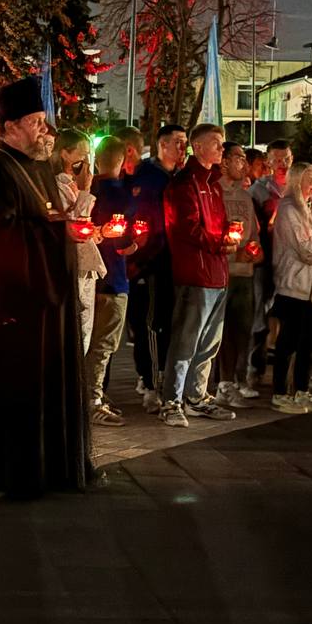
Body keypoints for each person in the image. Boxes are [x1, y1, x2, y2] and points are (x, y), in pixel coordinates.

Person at [0, 77, 89, 497]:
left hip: (49, 296)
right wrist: (57, 232)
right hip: (19, 300)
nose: (44, 131)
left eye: (43, 121)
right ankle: (16, 471)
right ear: (10, 126)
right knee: (19, 388)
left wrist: (66, 226)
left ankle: (55, 466)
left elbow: (48, 218)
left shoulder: (39, 167)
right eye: (35, 122)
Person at [158, 124, 238, 428]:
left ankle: (196, 395)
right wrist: (220, 241)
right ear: (198, 147)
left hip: (217, 273)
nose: (221, 149)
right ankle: (172, 400)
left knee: (209, 342)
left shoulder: (213, 183)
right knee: (186, 340)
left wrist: (229, 235)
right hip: (195, 272)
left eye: (222, 143)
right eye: (216, 143)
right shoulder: (185, 183)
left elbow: (218, 223)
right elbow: (186, 227)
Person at [126, 124, 187, 412]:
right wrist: (140, 253)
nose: (182, 147)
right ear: (162, 144)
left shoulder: (182, 176)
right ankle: (150, 382)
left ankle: (164, 375)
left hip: (177, 261)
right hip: (149, 260)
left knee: (171, 321)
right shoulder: (146, 175)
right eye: (177, 142)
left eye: (185, 142)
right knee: (149, 323)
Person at [269, 163, 312, 413]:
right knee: (288, 341)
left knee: (310, 341)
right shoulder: (288, 209)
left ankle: (301, 389)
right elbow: (304, 249)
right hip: (293, 285)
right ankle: (280, 392)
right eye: (309, 179)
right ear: (297, 182)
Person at [86, 129, 144, 425]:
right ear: (123, 160)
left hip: (89, 278)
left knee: (89, 343)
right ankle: (92, 399)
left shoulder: (87, 191)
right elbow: (125, 238)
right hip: (114, 279)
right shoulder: (122, 196)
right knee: (104, 345)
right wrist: (133, 242)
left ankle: (91, 395)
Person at [215, 142, 262, 409]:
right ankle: (222, 383)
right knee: (221, 333)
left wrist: (254, 250)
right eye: (239, 158)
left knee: (242, 330)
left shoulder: (245, 197)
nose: (244, 164)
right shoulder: (214, 193)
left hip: (245, 273)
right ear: (224, 161)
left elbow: (253, 235)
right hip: (222, 273)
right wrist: (232, 254)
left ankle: (235, 379)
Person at [51, 129, 105, 353]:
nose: (86, 160)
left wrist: (99, 232)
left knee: (86, 328)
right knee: (76, 328)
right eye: (82, 153)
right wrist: (84, 191)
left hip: (84, 265)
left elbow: (85, 226)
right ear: (65, 153)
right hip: (72, 264)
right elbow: (74, 225)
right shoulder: (58, 186)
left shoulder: (72, 184)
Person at [247, 139, 292, 393]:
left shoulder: (298, 188)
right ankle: (255, 369)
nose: (282, 164)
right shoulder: (259, 191)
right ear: (268, 162)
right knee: (260, 316)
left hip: (291, 261)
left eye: (286, 159)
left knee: (289, 316)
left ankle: (287, 374)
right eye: (277, 160)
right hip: (265, 260)